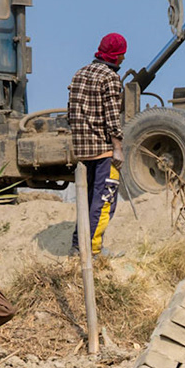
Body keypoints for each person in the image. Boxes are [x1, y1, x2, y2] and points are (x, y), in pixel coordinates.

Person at [67, 33, 127, 255]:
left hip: (83, 151)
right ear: (117, 56)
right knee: (104, 201)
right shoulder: (110, 78)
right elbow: (112, 116)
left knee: (88, 199)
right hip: (103, 150)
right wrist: (117, 149)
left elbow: (70, 112)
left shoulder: (79, 74)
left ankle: (77, 245)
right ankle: (91, 249)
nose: (123, 60)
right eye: (122, 56)